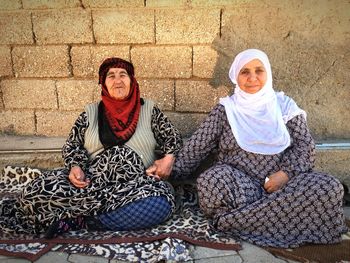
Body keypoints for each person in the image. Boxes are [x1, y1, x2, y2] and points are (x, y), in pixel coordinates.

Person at [171, 48, 348, 248]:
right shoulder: (227, 109)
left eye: (259, 70)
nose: (252, 77)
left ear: (268, 73)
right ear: (236, 76)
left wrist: (285, 174)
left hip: (284, 185)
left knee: (330, 188)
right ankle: (286, 219)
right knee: (209, 183)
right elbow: (197, 147)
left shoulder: (284, 106)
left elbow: (305, 146)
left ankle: (234, 222)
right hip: (240, 186)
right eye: (244, 72)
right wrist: (169, 172)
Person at [0, 57, 182, 238]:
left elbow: (172, 137)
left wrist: (168, 159)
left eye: (123, 75)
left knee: (160, 204)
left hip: (135, 186)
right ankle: (91, 214)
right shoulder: (91, 113)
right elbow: (72, 145)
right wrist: (75, 167)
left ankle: (81, 220)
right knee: (33, 192)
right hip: (90, 184)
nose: (118, 80)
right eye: (111, 76)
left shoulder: (149, 110)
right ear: (103, 83)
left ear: (132, 80)